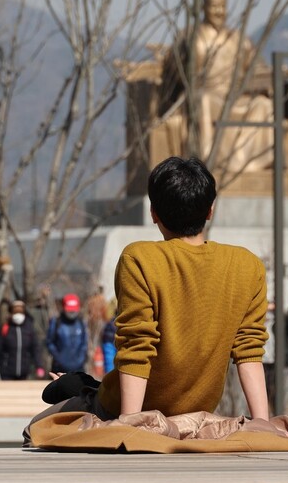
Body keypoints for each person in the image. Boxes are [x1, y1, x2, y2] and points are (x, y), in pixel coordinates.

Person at [38, 157, 270, 423]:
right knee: (81, 390)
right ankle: (78, 384)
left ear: (153, 213)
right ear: (210, 211)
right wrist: (264, 425)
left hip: (120, 406)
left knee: (36, 428)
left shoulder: (139, 258)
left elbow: (136, 344)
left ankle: (78, 385)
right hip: (196, 412)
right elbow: (249, 349)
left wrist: (130, 422)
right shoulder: (247, 265)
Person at [158, 0, 274, 174]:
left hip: (234, 97)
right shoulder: (192, 36)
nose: (219, 12)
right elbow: (175, 72)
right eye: (214, 7)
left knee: (263, 105)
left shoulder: (237, 39)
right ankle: (206, 159)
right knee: (203, 100)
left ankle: (247, 163)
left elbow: (256, 68)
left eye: (222, 6)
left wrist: (276, 75)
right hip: (204, 95)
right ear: (204, 7)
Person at [0, 300, 45, 381]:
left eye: (20, 312)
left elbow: (36, 349)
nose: (18, 315)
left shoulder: (29, 329)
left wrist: (39, 366)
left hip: (24, 370)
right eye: (15, 312)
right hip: (6, 371)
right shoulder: (5, 328)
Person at [46, 294, 88, 374]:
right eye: (69, 310)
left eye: (73, 310)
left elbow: (84, 343)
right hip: (59, 368)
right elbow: (50, 343)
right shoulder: (56, 322)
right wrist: (58, 358)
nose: (72, 313)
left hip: (79, 368)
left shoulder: (81, 323)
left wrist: (81, 359)